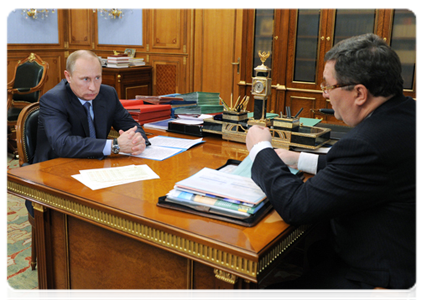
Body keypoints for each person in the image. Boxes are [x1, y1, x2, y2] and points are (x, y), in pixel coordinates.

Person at [246, 33, 419, 299]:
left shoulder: (369, 143)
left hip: (378, 281)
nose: (325, 95)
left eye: (328, 87)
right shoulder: (408, 114)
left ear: (359, 93)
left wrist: (260, 149)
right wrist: (295, 158)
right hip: (402, 256)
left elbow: (296, 205)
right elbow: (361, 168)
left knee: (268, 295)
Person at [29, 50, 150, 215]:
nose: (93, 87)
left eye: (97, 78)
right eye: (85, 79)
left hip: (97, 172)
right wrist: (114, 145)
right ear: (68, 76)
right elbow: (63, 144)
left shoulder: (108, 94)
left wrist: (138, 140)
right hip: (55, 177)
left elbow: (131, 125)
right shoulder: (54, 99)